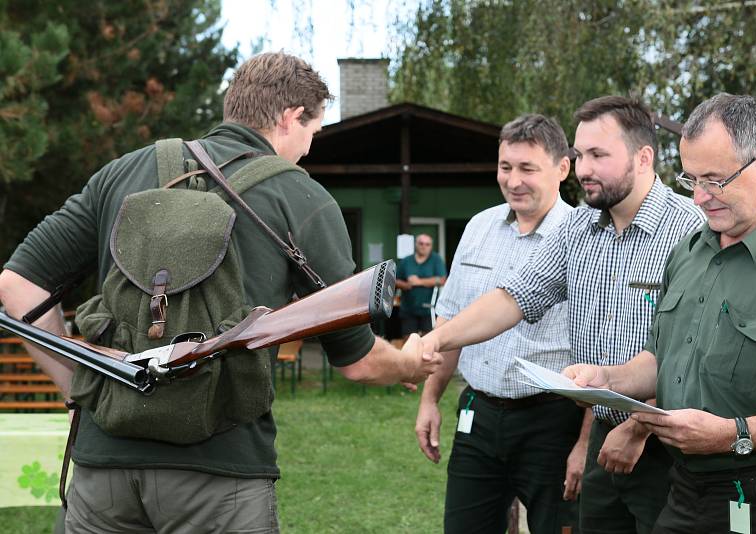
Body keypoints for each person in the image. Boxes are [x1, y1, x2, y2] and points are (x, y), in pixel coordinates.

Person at [0, 51, 441, 534]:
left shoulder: (121, 173)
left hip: (102, 470)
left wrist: (87, 390)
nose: (309, 149)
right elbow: (357, 361)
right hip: (220, 476)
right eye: (313, 132)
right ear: (291, 118)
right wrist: (409, 362)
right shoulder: (303, 197)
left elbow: (17, 283)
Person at [418, 96, 705, 534]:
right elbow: (513, 299)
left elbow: (694, 352)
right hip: (603, 443)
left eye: (598, 155)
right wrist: (437, 340)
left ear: (643, 158)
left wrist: (638, 429)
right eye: (580, 154)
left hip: (666, 445)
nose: (584, 168)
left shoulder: (690, 230)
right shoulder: (580, 228)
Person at [566, 93, 756, 532]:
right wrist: (608, 379)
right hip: (683, 492)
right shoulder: (690, 252)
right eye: (691, 179)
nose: (699, 197)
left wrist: (735, 433)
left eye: (714, 180)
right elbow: (661, 358)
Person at [414, 114, 584, 534]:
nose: (514, 180)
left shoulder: (585, 237)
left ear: (562, 169)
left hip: (553, 421)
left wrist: (584, 443)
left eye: (528, 168)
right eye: (506, 167)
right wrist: (429, 399)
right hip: (479, 413)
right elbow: (451, 318)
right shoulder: (478, 227)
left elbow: (602, 348)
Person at [395, 233, 447, 337]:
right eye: (421, 243)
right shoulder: (406, 261)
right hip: (408, 308)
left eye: (427, 244)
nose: (424, 246)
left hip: (429, 310)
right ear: (416, 244)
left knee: (428, 341)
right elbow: (394, 280)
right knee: (408, 341)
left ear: (431, 246)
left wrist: (419, 282)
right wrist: (405, 285)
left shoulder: (436, 260)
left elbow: (442, 280)